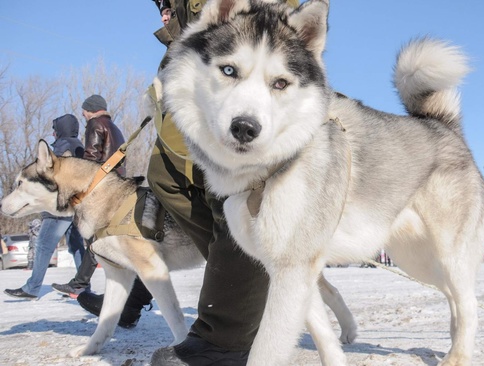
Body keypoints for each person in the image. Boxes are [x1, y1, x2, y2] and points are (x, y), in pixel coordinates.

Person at [147, 1, 297, 365]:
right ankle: (249, 283)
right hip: (197, 34)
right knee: (166, 176)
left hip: (251, 24)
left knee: (239, 188)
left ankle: (226, 339)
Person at [51, 95, 153, 328]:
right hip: (118, 184)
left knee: (100, 239)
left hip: (101, 186)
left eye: (85, 111)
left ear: (91, 110)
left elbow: (92, 157)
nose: (84, 115)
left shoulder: (95, 125)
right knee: (111, 239)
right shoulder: (114, 127)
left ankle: (85, 284)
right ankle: (126, 299)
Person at [4, 114, 86, 300]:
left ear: (60, 130)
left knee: (43, 245)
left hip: (58, 207)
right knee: (76, 245)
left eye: (54, 129)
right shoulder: (79, 145)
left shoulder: (60, 146)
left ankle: (32, 288)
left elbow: (48, 176)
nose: (52, 133)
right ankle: (82, 287)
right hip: (75, 204)